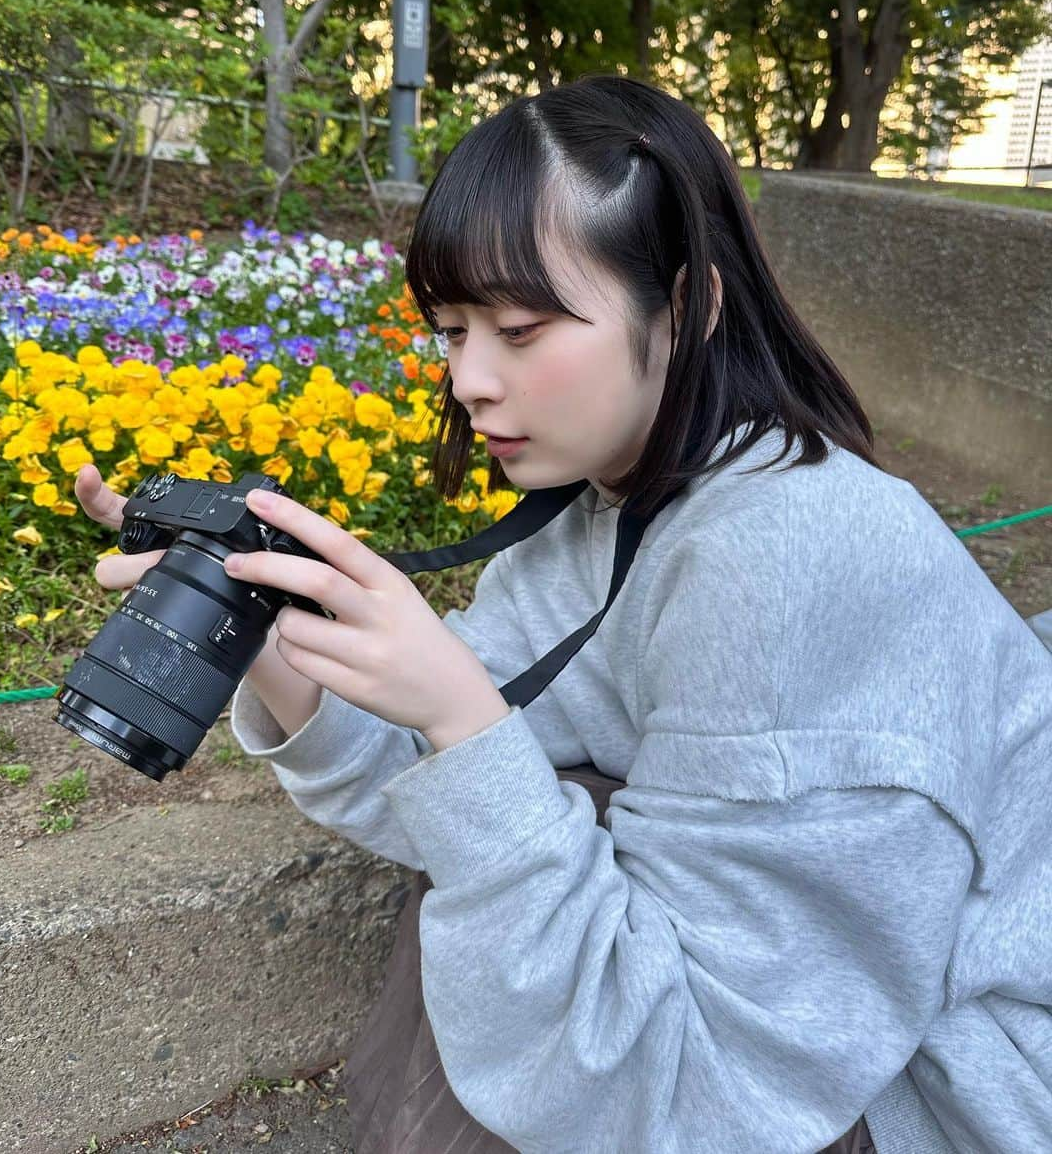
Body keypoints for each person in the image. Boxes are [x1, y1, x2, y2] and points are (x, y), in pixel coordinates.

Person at [77, 75, 1052, 1154]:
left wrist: (467, 721)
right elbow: (441, 789)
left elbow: (697, 1092)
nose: (471, 382)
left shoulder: (788, 554)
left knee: (528, 847)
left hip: (935, 1083)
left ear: (687, 307)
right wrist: (270, 639)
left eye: (522, 328)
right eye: (452, 330)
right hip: (783, 1042)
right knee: (527, 832)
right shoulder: (599, 513)